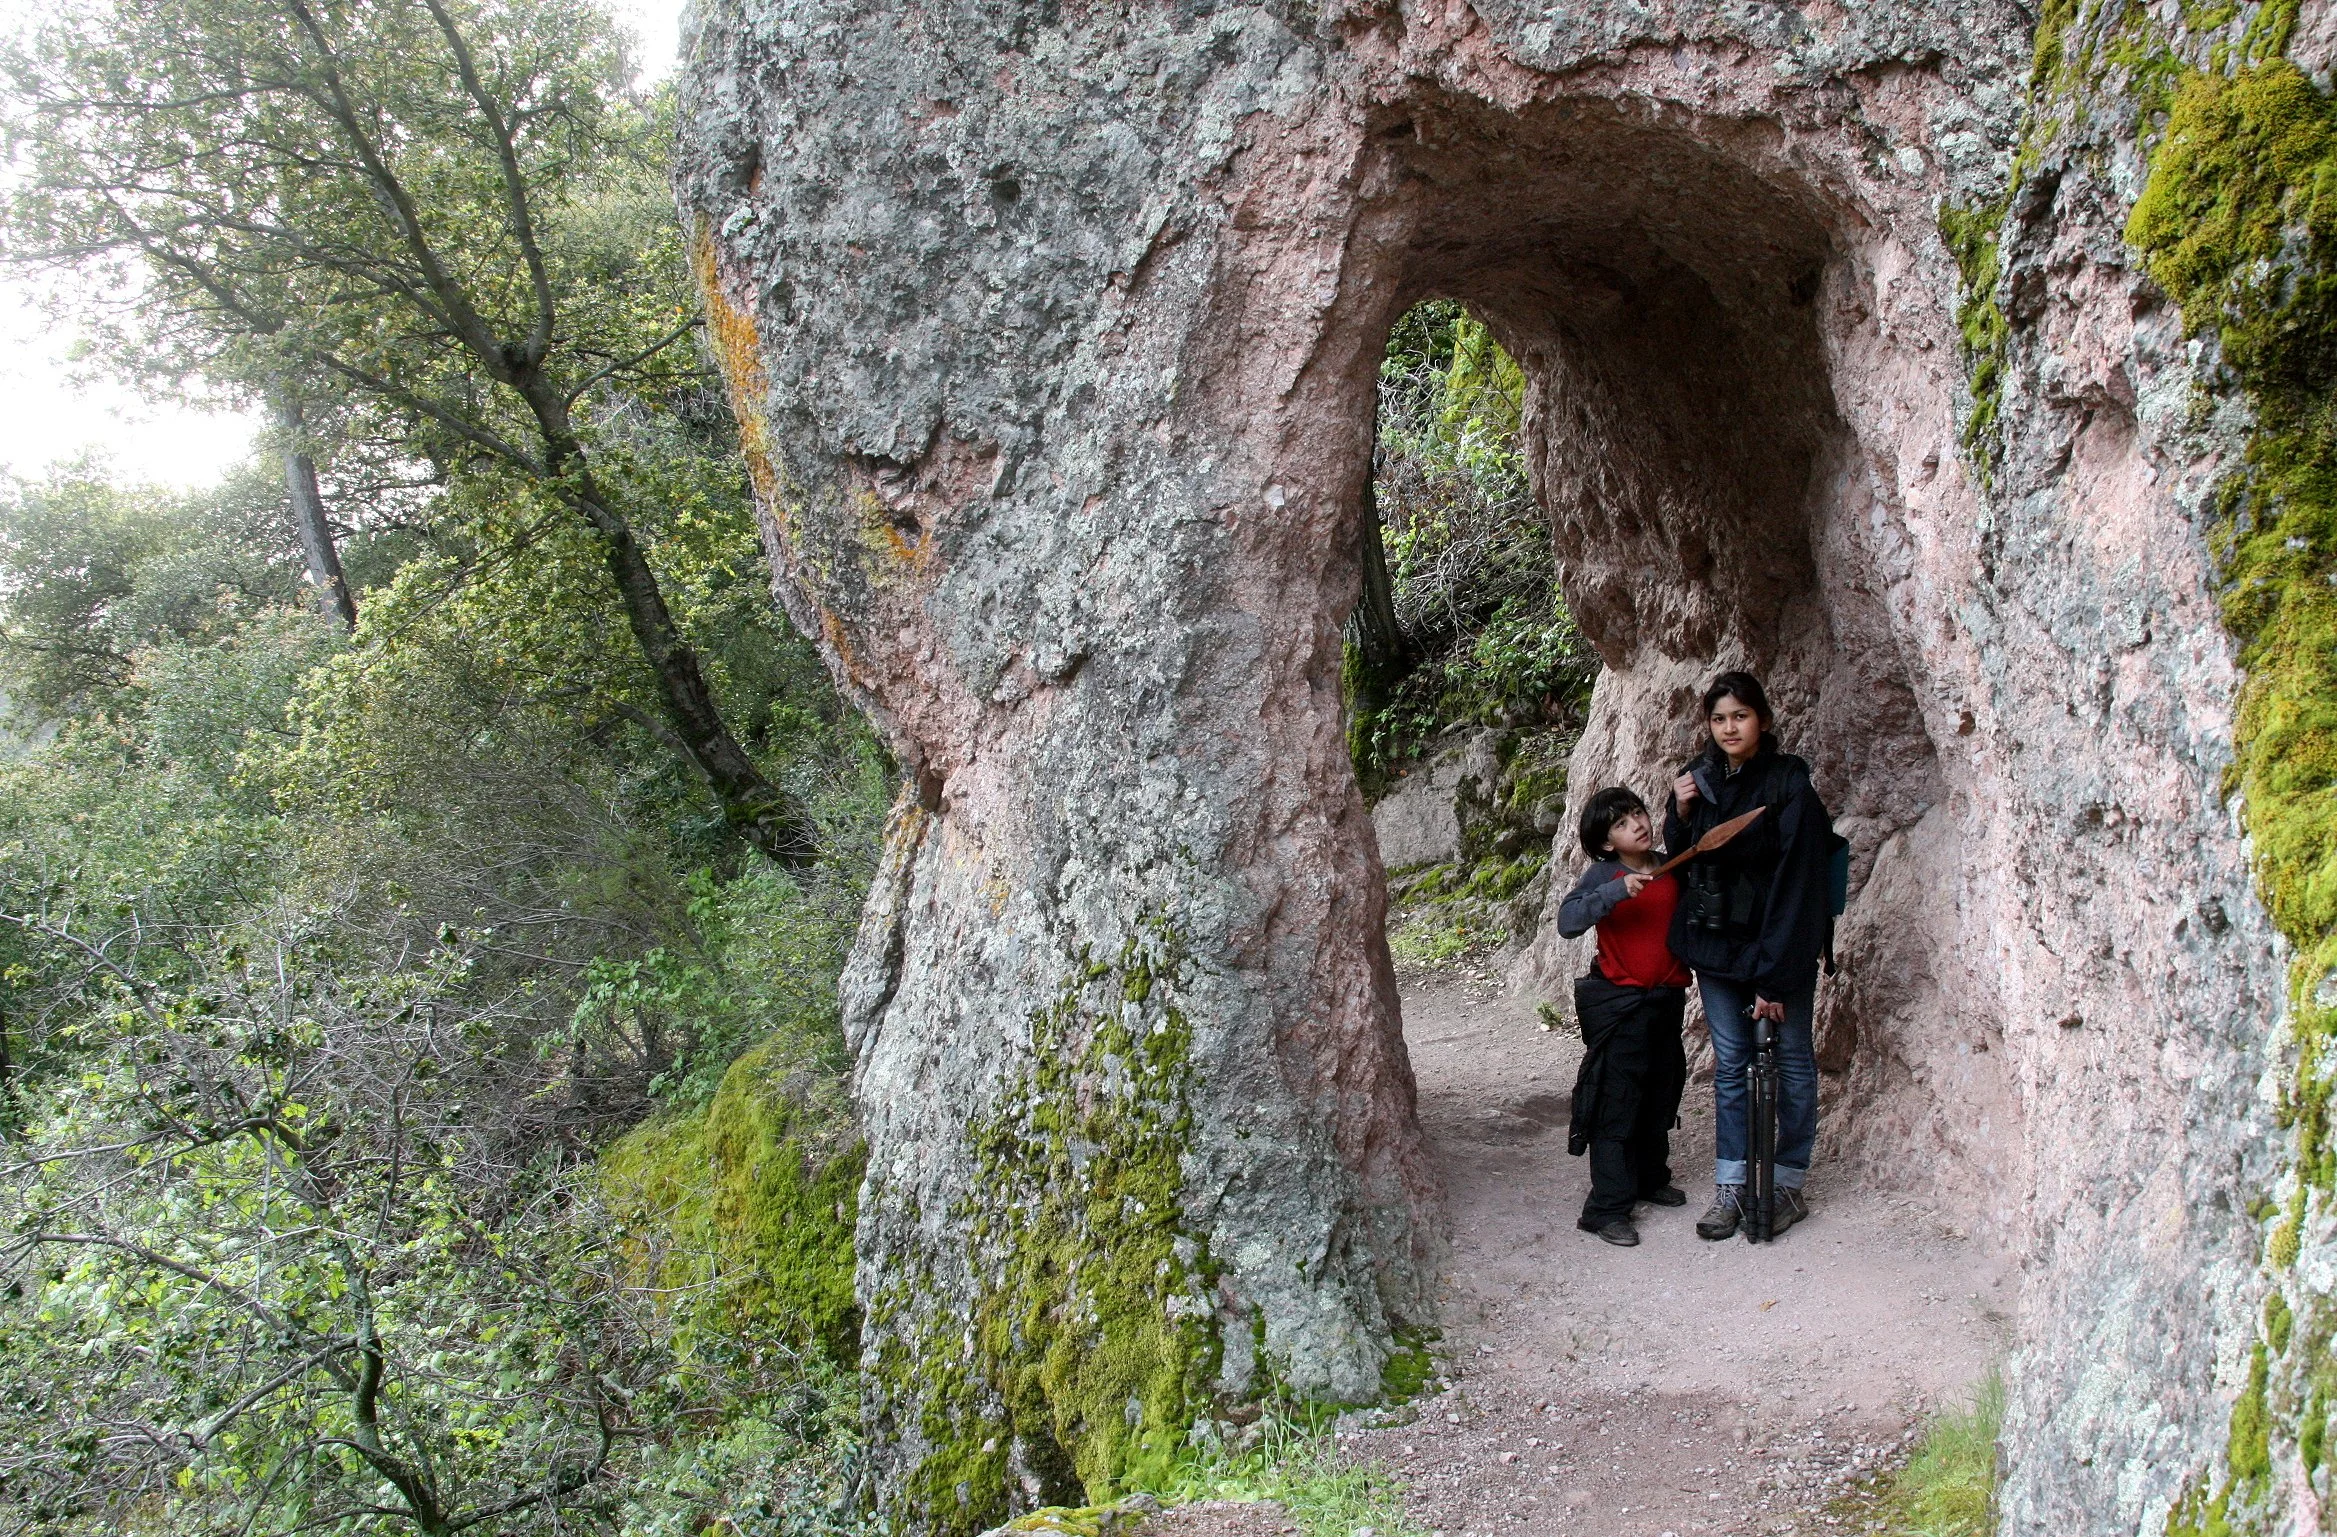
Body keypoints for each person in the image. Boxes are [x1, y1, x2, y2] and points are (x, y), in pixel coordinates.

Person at [1665, 671, 1836, 1241]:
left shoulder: (1791, 788)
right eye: (1718, 719)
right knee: (1732, 1067)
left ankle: (1787, 1184)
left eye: (1739, 715)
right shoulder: (1701, 782)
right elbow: (1690, 866)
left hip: (1777, 948)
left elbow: (1798, 889)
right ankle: (1732, 1188)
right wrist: (1679, 815)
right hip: (1718, 949)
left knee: (1791, 1062)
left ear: (1762, 718)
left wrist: (1774, 979)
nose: (1729, 728)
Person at [1555, 786, 1691, 1247]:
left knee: (1660, 1093)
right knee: (1617, 1104)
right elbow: (1569, 921)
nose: (1637, 824)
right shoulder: (1604, 874)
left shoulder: (1672, 866)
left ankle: (1650, 1179)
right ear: (1609, 842)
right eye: (1621, 823)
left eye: (1637, 813)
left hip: (1666, 1003)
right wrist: (1614, 892)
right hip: (1622, 1007)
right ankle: (1606, 1209)